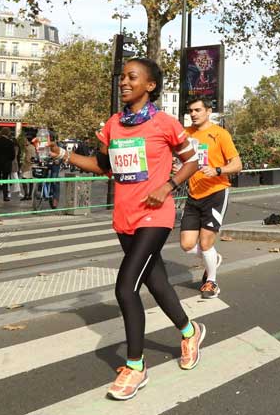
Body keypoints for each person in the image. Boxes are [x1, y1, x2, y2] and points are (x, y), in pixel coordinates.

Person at [44, 58, 205, 401]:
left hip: (156, 216)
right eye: (122, 78)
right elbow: (102, 166)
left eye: (133, 77)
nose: (124, 82)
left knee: (125, 288)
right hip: (125, 218)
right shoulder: (113, 125)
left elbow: (192, 161)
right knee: (157, 282)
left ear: (150, 85)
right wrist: (63, 155)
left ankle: (135, 366)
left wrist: (169, 185)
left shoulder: (166, 124)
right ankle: (190, 332)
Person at [180, 97, 242, 300]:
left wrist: (217, 170)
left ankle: (211, 281)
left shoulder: (220, 134)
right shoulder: (186, 134)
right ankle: (213, 258)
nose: (193, 114)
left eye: (197, 110)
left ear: (208, 111)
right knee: (187, 245)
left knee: (206, 242)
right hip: (193, 194)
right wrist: (178, 168)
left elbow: (237, 164)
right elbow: (183, 159)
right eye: (191, 111)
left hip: (216, 192)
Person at [0, 128, 16, 202]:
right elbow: (13, 155)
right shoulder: (10, 143)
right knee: (5, 180)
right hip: (6, 165)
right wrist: (8, 160)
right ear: (8, 133)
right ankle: (5, 196)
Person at [18, 133, 35, 200]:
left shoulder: (28, 148)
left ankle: (27, 195)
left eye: (25, 140)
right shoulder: (30, 147)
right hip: (28, 166)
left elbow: (29, 157)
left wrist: (28, 161)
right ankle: (29, 195)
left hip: (28, 166)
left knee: (25, 180)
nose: (24, 142)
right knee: (29, 181)